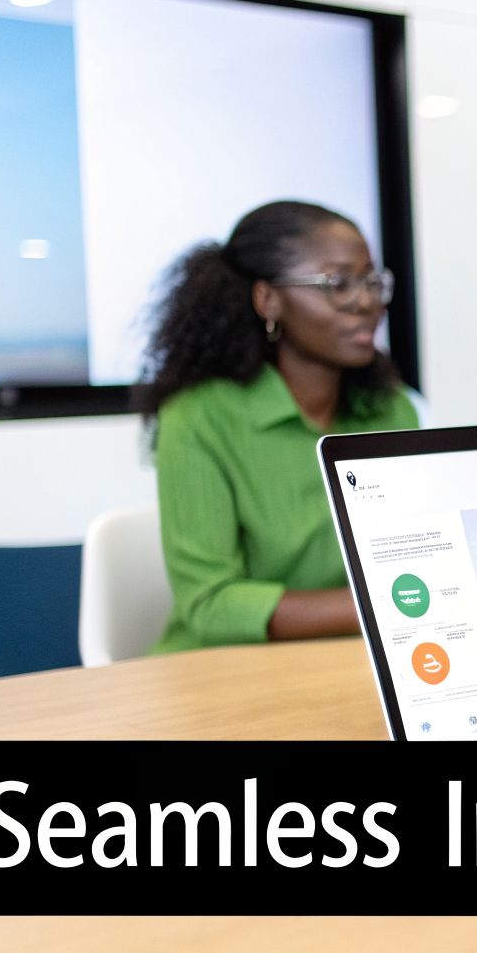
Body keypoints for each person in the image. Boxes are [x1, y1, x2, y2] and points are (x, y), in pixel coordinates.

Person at [143, 200, 416, 654]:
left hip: (356, 660)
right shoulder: (198, 417)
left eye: (371, 281)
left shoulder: (391, 410)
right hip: (219, 673)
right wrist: (384, 606)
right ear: (267, 299)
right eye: (338, 284)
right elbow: (211, 604)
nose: (367, 303)